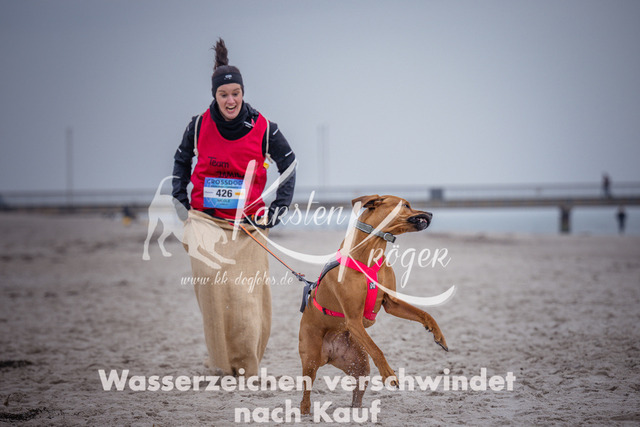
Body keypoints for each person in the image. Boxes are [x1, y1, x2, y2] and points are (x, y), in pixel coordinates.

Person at [172, 38, 296, 376]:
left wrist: (279, 207)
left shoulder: (264, 128)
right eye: (224, 94)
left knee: (245, 299)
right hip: (205, 220)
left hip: (248, 225)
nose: (231, 100)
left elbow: (289, 164)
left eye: (236, 93)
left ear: (243, 93)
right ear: (215, 95)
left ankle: (244, 365)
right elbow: (181, 161)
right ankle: (221, 361)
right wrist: (180, 199)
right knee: (213, 289)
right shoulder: (198, 125)